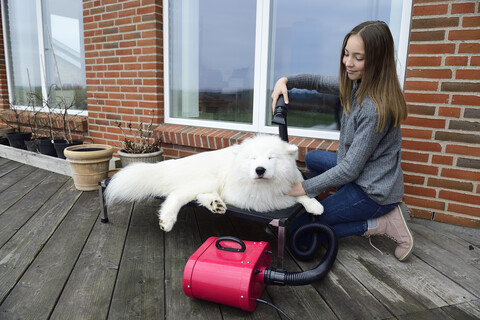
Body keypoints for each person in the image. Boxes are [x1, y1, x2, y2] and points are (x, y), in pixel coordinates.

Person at [271, 21, 414, 262]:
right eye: (346, 54)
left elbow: (350, 169)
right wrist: (285, 80)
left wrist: (303, 188)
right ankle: (341, 199)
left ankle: (382, 222)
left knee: (301, 234)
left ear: (377, 61)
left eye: (358, 57)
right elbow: (316, 82)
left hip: (373, 192)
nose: (348, 62)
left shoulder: (374, 108)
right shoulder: (355, 84)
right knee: (315, 157)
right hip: (361, 173)